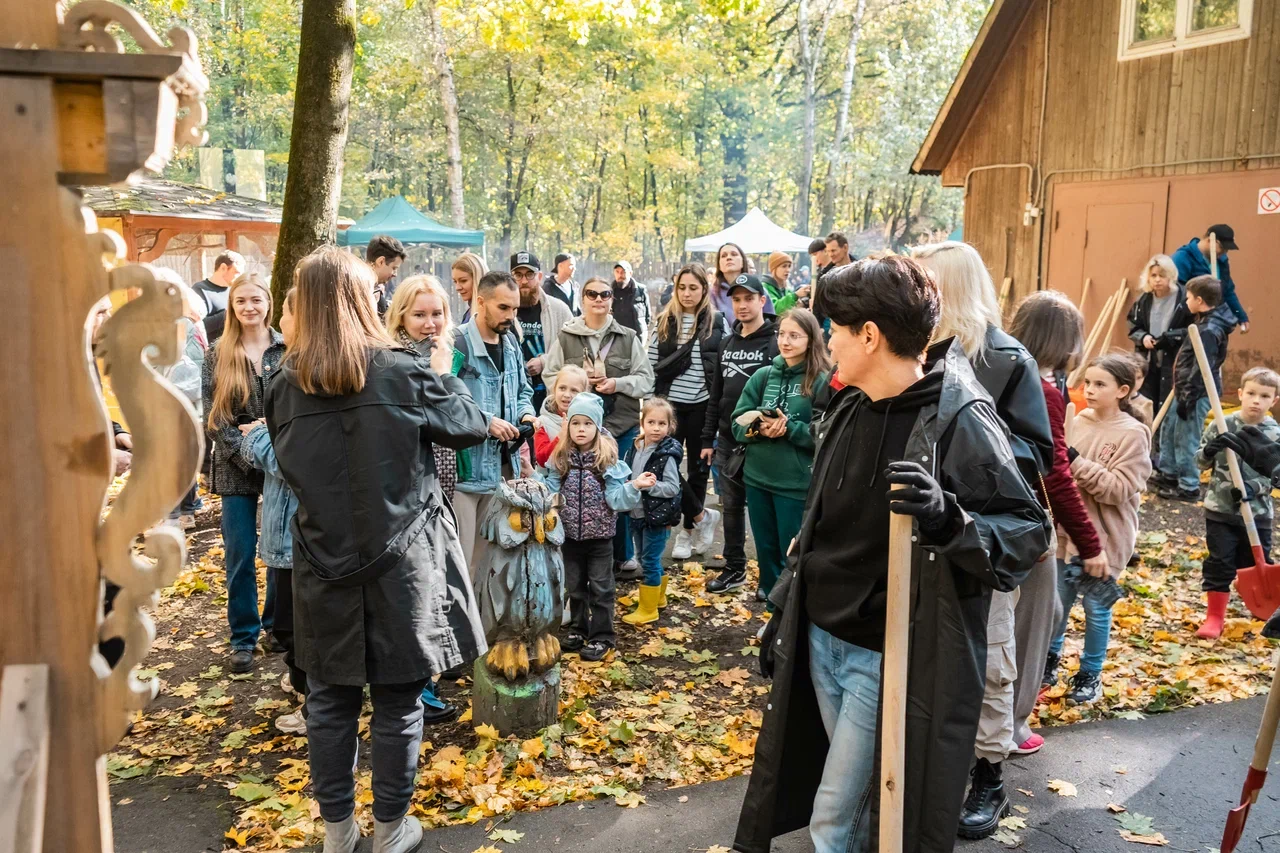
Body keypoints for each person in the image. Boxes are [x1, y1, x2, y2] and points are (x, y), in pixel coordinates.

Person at [735, 257, 1049, 853]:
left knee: (836, 821)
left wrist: (950, 517)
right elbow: (820, 529)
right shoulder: (851, 404)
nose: (828, 340)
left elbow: (1024, 534)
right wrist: (784, 610)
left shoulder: (960, 417)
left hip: (886, 658)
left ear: (870, 336)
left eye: (836, 328)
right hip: (823, 637)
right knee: (856, 810)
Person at [265, 247, 488, 853]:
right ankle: (390, 829)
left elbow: (288, 465)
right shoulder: (401, 369)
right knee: (397, 699)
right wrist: (439, 368)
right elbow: (470, 425)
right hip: (404, 564)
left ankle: (341, 833)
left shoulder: (282, 384)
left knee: (329, 702)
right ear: (364, 300)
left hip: (322, 560)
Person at [913, 240, 1053, 836]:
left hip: (981, 534)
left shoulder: (1005, 357)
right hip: (918, 535)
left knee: (990, 656)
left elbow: (1036, 454)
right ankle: (924, 763)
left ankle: (988, 775)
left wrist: (964, 461)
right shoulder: (908, 350)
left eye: (923, 280)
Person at [1006, 292, 1104, 756]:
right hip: (1026, 523)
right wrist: (1089, 542)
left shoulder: (993, 368)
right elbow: (1056, 471)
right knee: (1033, 625)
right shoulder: (1042, 390)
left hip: (985, 517)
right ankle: (1011, 725)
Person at [1047, 354, 1151, 706]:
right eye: (1087, 382)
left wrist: (1075, 461)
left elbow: (1119, 489)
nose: (1089, 390)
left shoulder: (1133, 434)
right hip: (1065, 538)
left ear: (1123, 390)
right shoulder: (1076, 420)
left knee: (1096, 609)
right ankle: (1049, 661)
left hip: (1103, 543)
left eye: (1099, 384)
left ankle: (1090, 673)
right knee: (1057, 605)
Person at [201, 273, 285, 674]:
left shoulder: (288, 349)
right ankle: (243, 636)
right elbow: (215, 417)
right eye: (240, 301)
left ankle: (275, 624)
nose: (249, 307)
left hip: (281, 464)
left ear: (268, 302)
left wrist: (272, 447)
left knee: (280, 548)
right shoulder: (219, 351)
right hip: (237, 465)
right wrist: (249, 452)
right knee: (239, 553)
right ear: (231, 307)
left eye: (256, 299)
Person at [545, 276, 655, 579]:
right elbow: (550, 375)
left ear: (612, 299)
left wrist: (615, 383)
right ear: (582, 298)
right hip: (578, 433)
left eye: (605, 293)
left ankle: (623, 556)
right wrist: (576, 385)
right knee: (580, 493)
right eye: (591, 293)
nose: (598, 299)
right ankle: (579, 560)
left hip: (620, 425)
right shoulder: (566, 336)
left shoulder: (628, 336)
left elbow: (646, 379)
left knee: (618, 489)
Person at [239, 286, 306, 734]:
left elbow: (292, 459)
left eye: (284, 309)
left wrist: (256, 436)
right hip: (289, 529)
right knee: (288, 621)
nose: (277, 317)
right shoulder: (290, 368)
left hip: (301, 532)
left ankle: (312, 700)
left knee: (295, 625)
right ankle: (305, 686)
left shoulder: (299, 376)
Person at [731, 309, 830, 608]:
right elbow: (736, 421)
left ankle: (789, 610)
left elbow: (825, 433)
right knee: (765, 546)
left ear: (811, 339)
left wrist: (789, 429)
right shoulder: (762, 376)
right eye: (781, 334)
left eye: (794, 336)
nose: (785, 341)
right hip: (757, 476)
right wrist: (758, 427)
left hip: (794, 482)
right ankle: (771, 604)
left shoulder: (821, 380)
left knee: (792, 549)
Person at [543, 393, 645, 661]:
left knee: (601, 589)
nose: (581, 429)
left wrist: (633, 486)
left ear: (597, 427)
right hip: (569, 538)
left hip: (599, 538)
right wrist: (540, 489)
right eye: (576, 423)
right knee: (574, 587)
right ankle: (578, 629)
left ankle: (602, 636)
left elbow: (616, 499)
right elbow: (551, 491)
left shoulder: (606, 461)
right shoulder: (561, 459)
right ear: (568, 426)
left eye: (587, 424)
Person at [453, 271, 539, 575]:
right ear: (480, 302)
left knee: (488, 563)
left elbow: (523, 391)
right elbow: (442, 402)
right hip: (466, 473)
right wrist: (486, 422)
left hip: (504, 470)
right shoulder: (456, 343)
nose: (511, 316)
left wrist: (527, 414)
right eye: (503, 308)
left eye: (515, 309)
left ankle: (481, 623)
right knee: (462, 565)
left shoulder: (512, 343)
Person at [700, 274, 779, 593]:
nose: (742, 305)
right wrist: (707, 439)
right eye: (736, 299)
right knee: (731, 508)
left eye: (749, 298)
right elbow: (715, 394)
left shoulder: (774, 341)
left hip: (762, 442)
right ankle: (735, 569)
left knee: (764, 513)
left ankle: (771, 577)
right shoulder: (728, 342)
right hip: (727, 441)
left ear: (762, 301)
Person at [1193, 367, 1280, 638]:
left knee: (1255, 562)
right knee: (1220, 561)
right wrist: (1209, 450)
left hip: (1258, 514)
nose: (1256, 400)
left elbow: (1275, 475)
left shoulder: (1275, 433)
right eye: (1251, 393)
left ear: (1274, 400)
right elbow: (1199, 462)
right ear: (1240, 394)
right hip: (1220, 509)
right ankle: (1215, 617)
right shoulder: (1221, 423)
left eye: (1264, 396)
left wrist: (1253, 488)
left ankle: (1262, 610)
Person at [648, 263, 727, 561]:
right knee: (663, 465)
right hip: (669, 409)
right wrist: (649, 406)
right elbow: (651, 364)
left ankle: (687, 532)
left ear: (704, 289)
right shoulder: (665, 322)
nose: (687, 293)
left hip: (703, 408)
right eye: (682, 287)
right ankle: (700, 515)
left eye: (694, 287)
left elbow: (721, 367)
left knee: (698, 469)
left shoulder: (716, 323)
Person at [1160, 275, 1235, 501]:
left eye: (1189, 297)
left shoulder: (1209, 330)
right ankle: (1169, 473)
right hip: (1183, 389)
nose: (1186, 302)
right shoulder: (1203, 322)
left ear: (1200, 300)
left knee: (1186, 437)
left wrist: (1188, 398)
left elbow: (1202, 369)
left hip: (1194, 392)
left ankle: (1188, 486)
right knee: (1170, 428)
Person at [621, 397, 684, 626]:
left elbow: (672, 488)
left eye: (662, 423)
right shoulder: (635, 446)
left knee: (649, 560)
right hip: (637, 513)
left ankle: (648, 609)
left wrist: (650, 486)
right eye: (651, 422)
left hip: (657, 516)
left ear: (670, 426)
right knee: (644, 557)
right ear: (642, 423)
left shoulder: (666, 455)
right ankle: (658, 598)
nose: (656, 428)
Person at [1127, 254, 1192, 413]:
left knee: (1167, 402)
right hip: (1149, 357)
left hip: (1174, 357)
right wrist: (1143, 337)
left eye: (1162, 276)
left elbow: (1191, 329)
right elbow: (1133, 325)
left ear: (1171, 276)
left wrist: (1170, 338)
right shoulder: (1144, 300)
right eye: (1153, 275)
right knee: (1148, 399)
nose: (1157, 280)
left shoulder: (1183, 298)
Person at [512, 251, 572, 414]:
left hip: (549, 396)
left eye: (529, 274)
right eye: (518, 275)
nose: (524, 281)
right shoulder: (504, 310)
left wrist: (544, 362)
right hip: (513, 396)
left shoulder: (559, 310)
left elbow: (573, 352)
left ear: (539, 276)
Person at [1172, 224, 1247, 332]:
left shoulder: (1221, 261)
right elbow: (1175, 294)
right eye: (1222, 248)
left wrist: (1241, 316)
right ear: (1209, 241)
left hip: (1215, 324)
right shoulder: (1182, 258)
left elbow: (1227, 291)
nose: (1224, 252)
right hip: (1188, 324)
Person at [534, 365, 589, 469]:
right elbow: (541, 460)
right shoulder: (542, 422)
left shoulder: (590, 422)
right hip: (551, 482)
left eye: (574, 390)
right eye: (562, 388)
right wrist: (560, 437)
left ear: (584, 395)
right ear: (554, 389)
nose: (567, 394)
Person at [192, 250, 246, 343]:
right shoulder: (199, 290)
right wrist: (229, 312)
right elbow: (197, 327)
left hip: (236, 349)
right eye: (237, 273)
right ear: (223, 268)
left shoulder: (236, 291)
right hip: (211, 352)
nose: (239, 278)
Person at [711, 242, 774, 317]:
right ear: (719, 265)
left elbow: (771, 321)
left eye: (734, 254)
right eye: (724, 256)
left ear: (742, 261)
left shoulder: (758, 289)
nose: (728, 258)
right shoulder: (712, 293)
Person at [611, 260, 652, 343]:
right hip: (616, 335)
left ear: (630, 273)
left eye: (623, 272)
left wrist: (643, 329)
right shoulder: (609, 291)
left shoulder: (640, 290)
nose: (620, 275)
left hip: (636, 335)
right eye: (617, 272)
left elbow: (648, 314)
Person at [366, 234, 406, 316]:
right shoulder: (356, 289)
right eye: (394, 268)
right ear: (381, 261)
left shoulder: (373, 290)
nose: (395, 274)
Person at [451, 251, 487, 325]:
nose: (457, 288)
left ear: (478, 279)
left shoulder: (490, 315)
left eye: (463, 281)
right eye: (455, 281)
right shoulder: (469, 313)